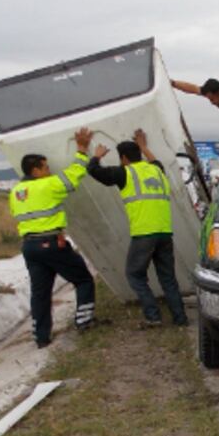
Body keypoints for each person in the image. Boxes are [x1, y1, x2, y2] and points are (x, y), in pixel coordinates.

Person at [87, 129, 187, 328]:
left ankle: (153, 317)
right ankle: (180, 318)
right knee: (168, 278)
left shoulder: (125, 172)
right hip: (164, 232)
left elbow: (94, 171)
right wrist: (143, 146)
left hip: (144, 233)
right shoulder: (156, 170)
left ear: (124, 158)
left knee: (134, 275)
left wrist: (96, 156)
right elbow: (155, 161)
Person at [10, 128, 96, 348]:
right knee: (83, 279)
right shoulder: (48, 184)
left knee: (40, 293)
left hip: (30, 247)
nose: (49, 171)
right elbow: (74, 175)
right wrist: (82, 150)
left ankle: (41, 337)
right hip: (51, 243)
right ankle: (85, 321)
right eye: (46, 167)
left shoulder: (16, 192)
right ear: (36, 170)